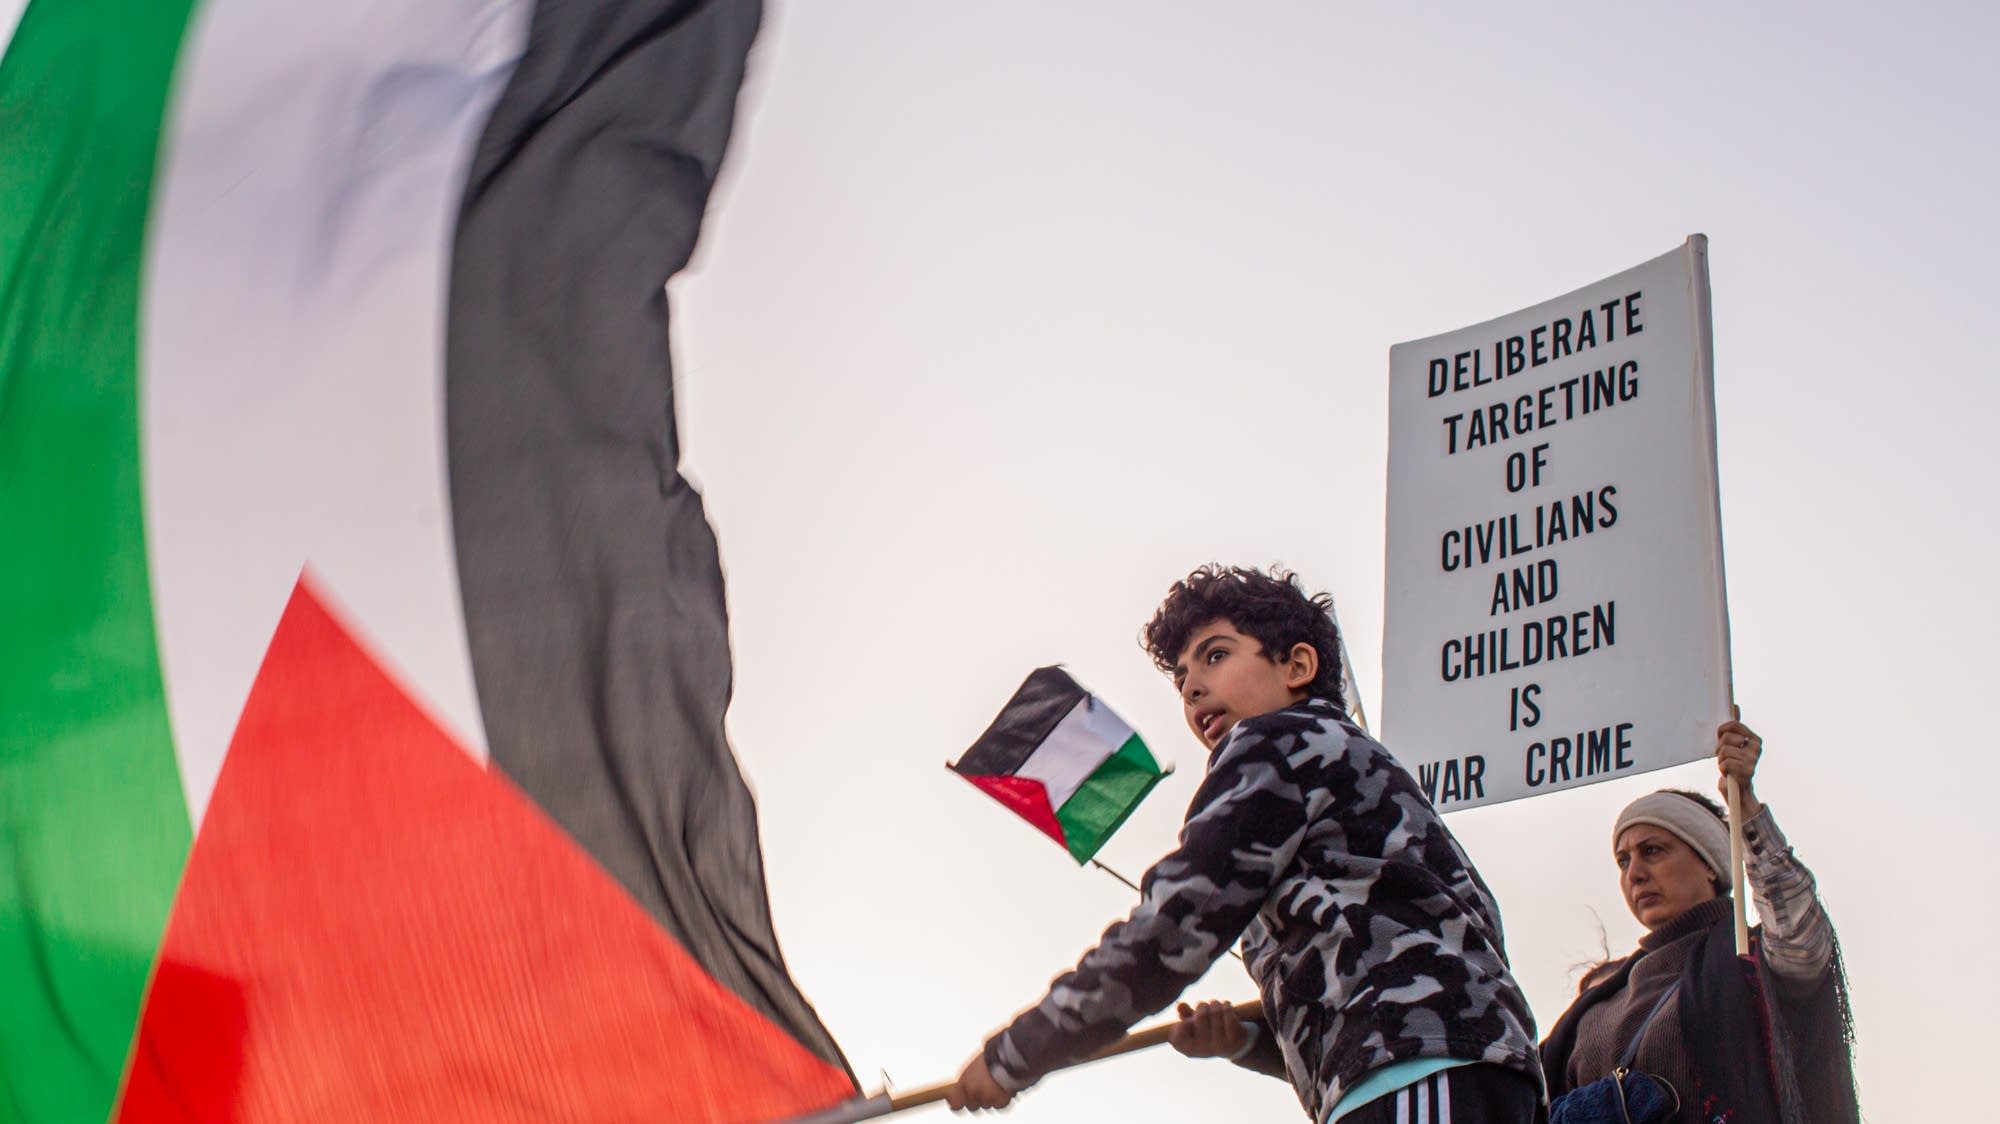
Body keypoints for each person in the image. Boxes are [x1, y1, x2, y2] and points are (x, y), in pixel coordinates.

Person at [946, 565, 1544, 1121]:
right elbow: (1359, 984)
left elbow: (1177, 923)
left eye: (1215, 656)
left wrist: (1019, 1052)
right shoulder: (1332, 782)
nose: (1192, 689)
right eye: (1182, 678)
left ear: (1297, 666)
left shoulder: (1277, 742)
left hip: (1418, 1075)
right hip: (1444, 1072)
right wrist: (1246, 1041)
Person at [1538, 718, 1859, 1123]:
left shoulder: (1751, 960)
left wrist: (1744, 803)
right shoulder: (1599, 999)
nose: (1633, 872)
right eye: (1623, 859)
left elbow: (1800, 934)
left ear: (1710, 864)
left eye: (1653, 850)